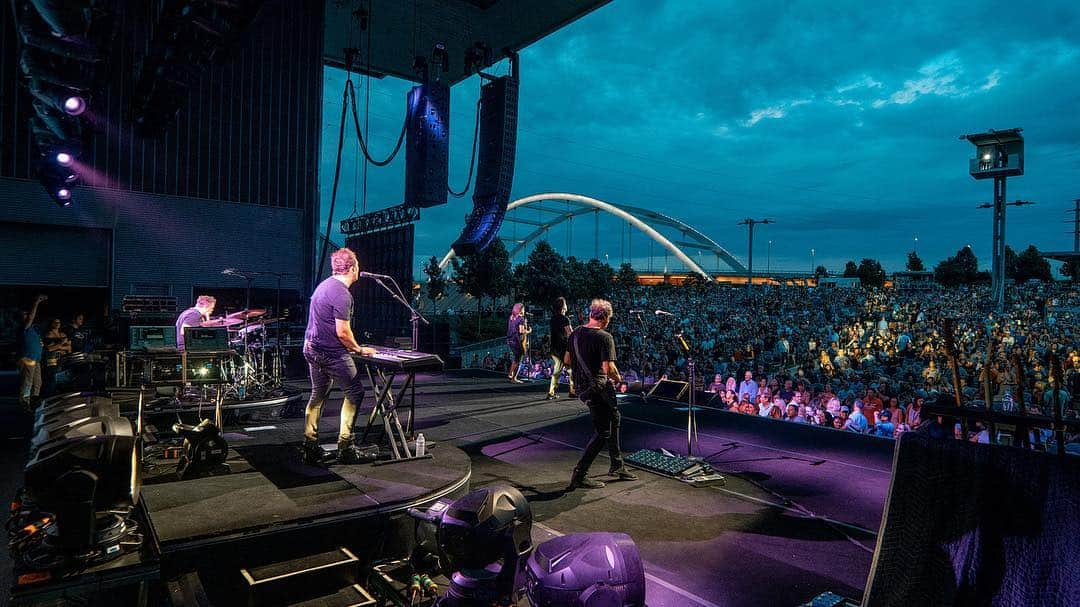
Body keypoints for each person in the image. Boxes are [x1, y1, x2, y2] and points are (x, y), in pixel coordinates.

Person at [301, 248, 377, 465]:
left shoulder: (323, 286)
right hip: (330, 352)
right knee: (355, 392)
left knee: (318, 395)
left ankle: (310, 446)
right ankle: (346, 447)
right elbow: (342, 332)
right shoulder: (343, 294)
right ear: (353, 268)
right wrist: (359, 349)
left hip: (311, 348)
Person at [564, 299, 637, 490]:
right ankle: (580, 474)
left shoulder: (575, 334)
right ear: (604, 318)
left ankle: (617, 464)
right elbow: (609, 368)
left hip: (582, 387)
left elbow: (567, 360)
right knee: (603, 432)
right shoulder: (605, 337)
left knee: (615, 416)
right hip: (598, 388)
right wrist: (621, 379)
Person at [18, 295, 47, 411]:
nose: (27, 316)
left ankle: (34, 403)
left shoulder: (33, 329)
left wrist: (41, 344)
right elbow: (30, 318)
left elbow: (37, 342)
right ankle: (24, 403)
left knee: (37, 382)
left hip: (36, 359)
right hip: (28, 359)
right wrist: (36, 302)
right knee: (28, 381)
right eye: (24, 315)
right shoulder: (24, 327)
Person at [547, 297, 574, 399]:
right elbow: (570, 334)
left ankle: (551, 392)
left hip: (554, 348)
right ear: (563, 307)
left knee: (557, 371)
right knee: (571, 370)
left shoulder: (553, 318)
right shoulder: (565, 319)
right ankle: (573, 391)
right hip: (564, 348)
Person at [42, 318, 72, 397]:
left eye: (59, 322)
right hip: (52, 361)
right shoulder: (48, 335)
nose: (57, 323)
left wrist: (59, 347)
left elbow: (69, 348)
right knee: (52, 379)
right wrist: (61, 344)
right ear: (51, 323)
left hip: (62, 360)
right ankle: (50, 396)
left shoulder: (63, 334)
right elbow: (49, 349)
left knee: (62, 379)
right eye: (55, 322)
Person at [506, 303, 531, 383]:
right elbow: (521, 331)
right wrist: (529, 331)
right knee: (519, 359)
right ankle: (514, 378)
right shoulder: (521, 319)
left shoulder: (511, 317)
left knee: (516, 358)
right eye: (523, 309)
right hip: (517, 341)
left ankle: (510, 374)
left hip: (510, 340)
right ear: (521, 310)